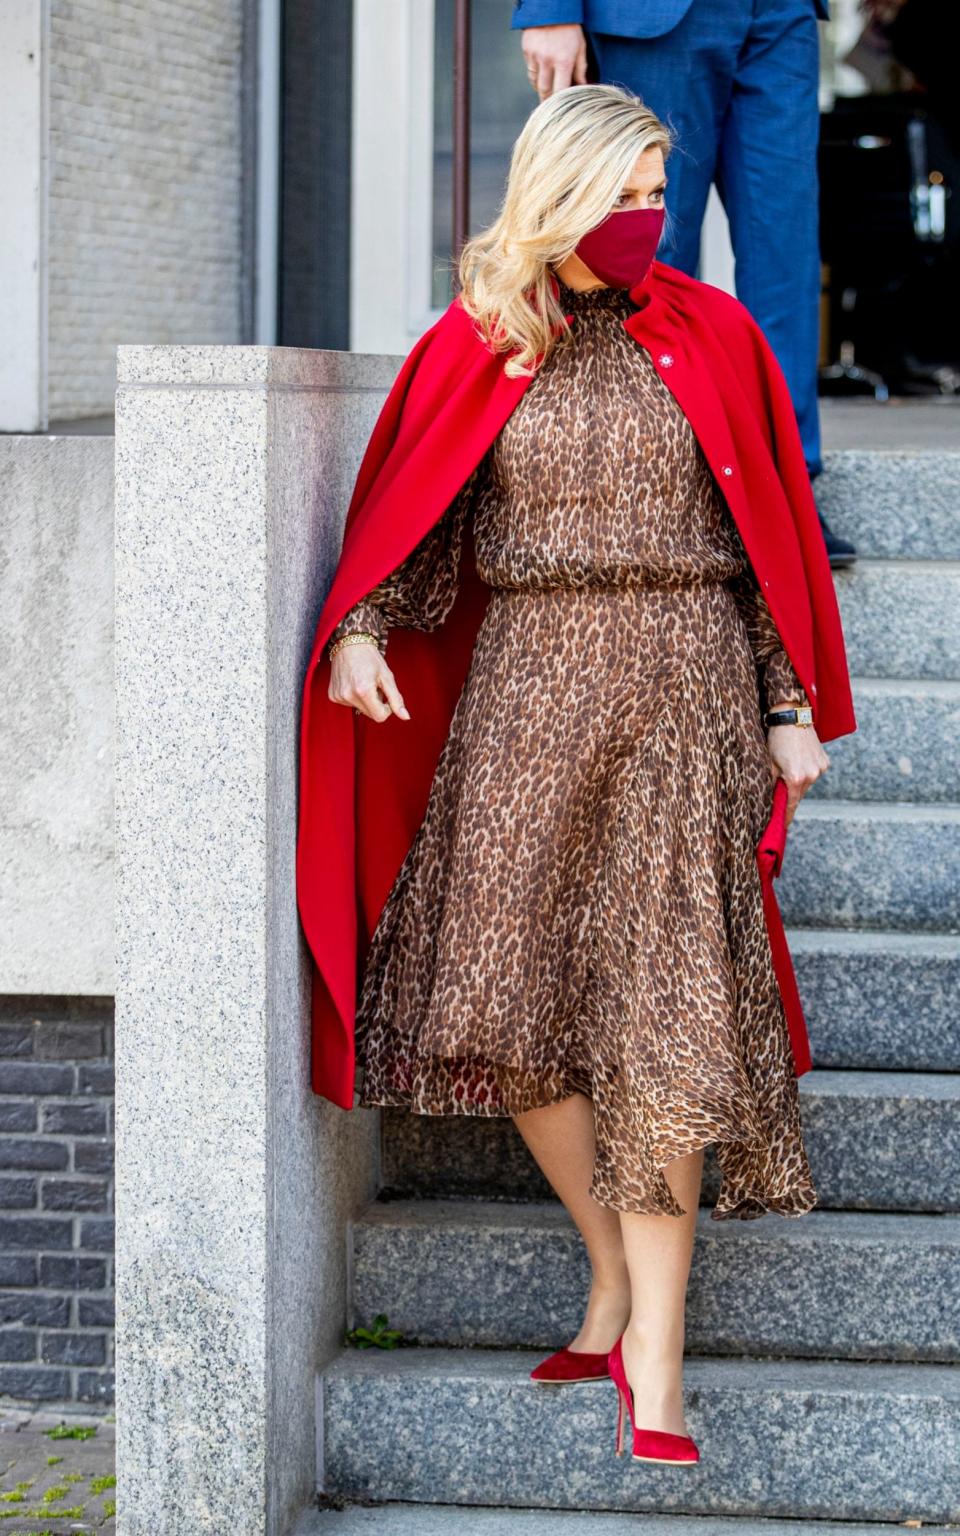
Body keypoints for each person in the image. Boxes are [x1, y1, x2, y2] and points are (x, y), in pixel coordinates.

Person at [296, 86, 856, 1465]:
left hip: (683, 693)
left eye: (662, 188)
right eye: (622, 193)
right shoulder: (482, 341)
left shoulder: (715, 332)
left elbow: (768, 520)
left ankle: (653, 1358)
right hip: (526, 697)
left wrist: (791, 703)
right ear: (556, 195)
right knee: (501, 1005)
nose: (648, 217)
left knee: (660, 1026)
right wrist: (362, 625)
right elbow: (417, 525)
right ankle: (606, 1266)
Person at [512, 0, 859, 568]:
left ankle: (786, 486)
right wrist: (551, 8)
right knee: (647, 245)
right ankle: (648, 479)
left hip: (780, 13)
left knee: (787, 252)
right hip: (652, 15)